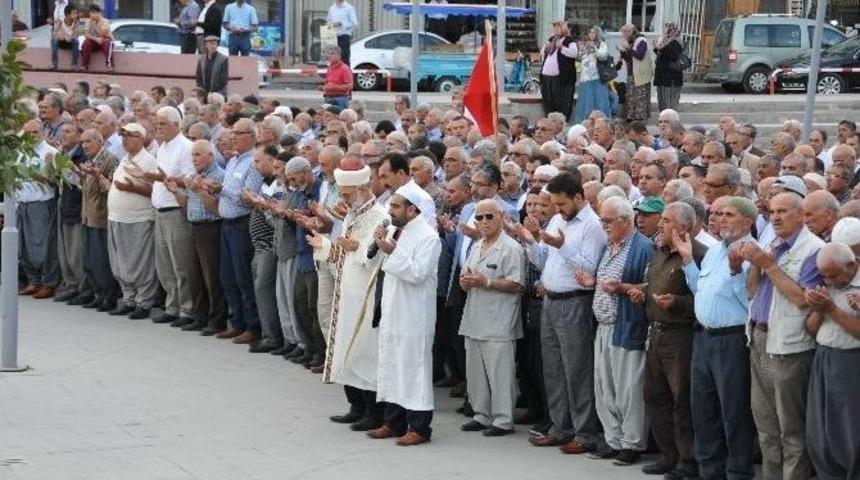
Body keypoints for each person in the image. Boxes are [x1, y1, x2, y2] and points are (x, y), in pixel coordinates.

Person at [516, 172, 605, 454]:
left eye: (562, 203)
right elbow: (543, 261)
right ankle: (560, 427)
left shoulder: (592, 226)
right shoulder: (557, 219)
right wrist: (530, 240)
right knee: (552, 368)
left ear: (578, 198)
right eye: (554, 203)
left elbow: (588, 268)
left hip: (575, 302)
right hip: (551, 301)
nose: (557, 209)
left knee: (576, 369)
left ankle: (584, 433)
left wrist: (561, 246)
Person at [741, 190, 822, 480]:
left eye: (783, 211)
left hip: (789, 348)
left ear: (801, 216)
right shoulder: (773, 242)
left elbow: (802, 299)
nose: (775, 216)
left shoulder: (813, 249)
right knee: (766, 427)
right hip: (759, 339)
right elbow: (752, 291)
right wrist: (754, 264)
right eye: (772, 211)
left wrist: (768, 265)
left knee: (791, 430)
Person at [680, 196, 757, 480]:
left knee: (733, 410)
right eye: (717, 213)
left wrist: (737, 272)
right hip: (703, 338)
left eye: (728, 214)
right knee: (703, 408)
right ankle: (709, 470)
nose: (720, 218)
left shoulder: (752, 253)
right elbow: (701, 290)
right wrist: (688, 261)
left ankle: (738, 470)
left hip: (732, 340)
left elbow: (749, 300)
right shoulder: (714, 251)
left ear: (747, 222)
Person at [309, 159, 389, 431]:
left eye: (346, 194)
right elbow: (342, 251)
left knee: (364, 351)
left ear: (363, 189)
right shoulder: (352, 216)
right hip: (347, 293)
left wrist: (354, 247)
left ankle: (373, 412)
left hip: (366, 297)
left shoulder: (380, 216)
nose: (342, 199)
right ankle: (355, 406)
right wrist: (326, 245)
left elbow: (374, 257)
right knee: (345, 348)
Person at [576, 196, 653, 465]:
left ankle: (632, 444)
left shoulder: (644, 247)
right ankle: (613, 439)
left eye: (607, 220)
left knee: (628, 388)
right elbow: (605, 282)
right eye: (602, 220)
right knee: (605, 385)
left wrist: (621, 288)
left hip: (628, 326)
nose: (603, 225)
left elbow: (650, 288)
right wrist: (592, 282)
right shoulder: (609, 246)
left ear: (625, 220)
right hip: (604, 326)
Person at [366, 182, 441, 447]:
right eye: (391, 205)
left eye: (396, 206)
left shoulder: (429, 237)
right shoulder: (396, 231)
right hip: (393, 310)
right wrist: (383, 246)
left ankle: (419, 427)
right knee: (393, 365)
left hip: (413, 315)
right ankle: (393, 422)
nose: (390, 210)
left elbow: (418, 273)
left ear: (412, 210)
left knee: (414, 369)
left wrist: (392, 252)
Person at [637, 201, 705, 479]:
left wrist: (677, 302)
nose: (661, 225)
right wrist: (641, 293)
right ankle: (668, 455)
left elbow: (704, 299)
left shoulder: (700, 255)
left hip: (681, 337)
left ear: (684, 227)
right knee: (655, 397)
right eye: (662, 219)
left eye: (666, 220)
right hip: (655, 333)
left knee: (682, 401)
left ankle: (687, 461)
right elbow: (654, 284)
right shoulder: (659, 253)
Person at [458, 199, 525, 437]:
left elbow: (517, 283)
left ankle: (503, 419)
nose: (484, 222)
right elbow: (466, 274)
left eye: (489, 216)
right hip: (474, 316)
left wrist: (486, 282)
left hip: (499, 319)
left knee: (500, 373)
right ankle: (481, 414)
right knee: (475, 371)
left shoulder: (511, 248)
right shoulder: (476, 246)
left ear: (501, 216)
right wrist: (465, 282)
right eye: (479, 217)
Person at [802, 242, 860, 480]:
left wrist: (832, 309)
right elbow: (811, 329)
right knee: (820, 431)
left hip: (851, 363)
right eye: (824, 276)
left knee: (849, 432)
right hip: (823, 358)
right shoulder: (827, 285)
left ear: (851, 265)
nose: (830, 281)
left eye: (833, 275)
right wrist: (819, 308)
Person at [106, 123, 160, 318]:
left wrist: (132, 188)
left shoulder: (148, 161)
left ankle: (143, 302)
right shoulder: (124, 159)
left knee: (140, 263)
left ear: (141, 138)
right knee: (120, 263)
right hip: (116, 217)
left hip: (138, 219)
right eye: (123, 136)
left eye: (130, 135)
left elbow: (156, 191)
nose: (125, 139)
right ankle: (128, 299)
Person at [17, 120, 61, 300]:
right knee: (24, 246)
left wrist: (43, 177)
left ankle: (48, 283)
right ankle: (33, 281)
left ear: (42, 133)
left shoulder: (51, 153)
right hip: (23, 203)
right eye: (28, 132)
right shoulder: (20, 151)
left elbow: (59, 182)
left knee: (44, 246)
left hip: (41, 204)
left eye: (35, 132)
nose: (31, 136)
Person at [540, 19, 577, 118]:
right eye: (554, 27)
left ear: (563, 28)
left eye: (558, 27)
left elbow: (574, 54)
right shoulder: (552, 39)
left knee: (559, 101)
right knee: (548, 99)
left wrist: (562, 48)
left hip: (559, 77)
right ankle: (549, 118)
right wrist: (545, 48)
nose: (556, 29)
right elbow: (542, 52)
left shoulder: (569, 40)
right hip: (547, 75)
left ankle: (559, 120)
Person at [574, 26, 611, 123]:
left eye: (594, 32)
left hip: (597, 78)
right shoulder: (585, 44)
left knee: (599, 102)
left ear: (598, 34)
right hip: (586, 78)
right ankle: (586, 122)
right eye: (590, 32)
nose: (591, 34)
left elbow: (603, 56)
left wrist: (594, 48)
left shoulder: (601, 44)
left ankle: (600, 122)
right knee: (586, 102)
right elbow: (579, 58)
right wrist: (581, 51)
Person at [618, 23, 653, 122]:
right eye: (624, 32)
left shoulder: (641, 40)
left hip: (640, 76)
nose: (625, 34)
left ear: (633, 31)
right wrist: (623, 52)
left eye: (627, 32)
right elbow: (630, 59)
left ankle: (639, 123)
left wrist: (628, 48)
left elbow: (640, 55)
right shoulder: (632, 42)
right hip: (632, 74)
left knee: (639, 100)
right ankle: (633, 122)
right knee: (632, 99)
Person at [653, 22, 684, 112]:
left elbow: (672, 56)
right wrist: (658, 47)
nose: (664, 31)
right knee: (662, 104)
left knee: (670, 106)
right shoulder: (666, 41)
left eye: (666, 29)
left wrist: (661, 47)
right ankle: (664, 121)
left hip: (671, 80)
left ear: (671, 30)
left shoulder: (675, 42)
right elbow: (660, 55)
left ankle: (671, 123)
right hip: (663, 78)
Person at [80, 5, 113, 71]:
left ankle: (109, 65)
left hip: (105, 39)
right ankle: (85, 65)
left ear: (100, 13)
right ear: (90, 13)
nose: (95, 15)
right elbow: (86, 35)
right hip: (94, 41)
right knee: (86, 43)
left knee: (107, 43)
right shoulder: (88, 22)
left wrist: (94, 24)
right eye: (93, 12)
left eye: (97, 13)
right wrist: (96, 39)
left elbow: (102, 34)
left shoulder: (105, 21)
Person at [326, 0, 358, 65]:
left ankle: (346, 74)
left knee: (344, 59)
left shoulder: (349, 8)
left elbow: (355, 24)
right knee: (332, 59)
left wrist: (342, 24)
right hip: (333, 38)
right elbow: (328, 22)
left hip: (344, 37)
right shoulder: (332, 8)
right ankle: (334, 74)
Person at [51, 3, 79, 71]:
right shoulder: (60, 21)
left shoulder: (76, 22)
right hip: (61, 42)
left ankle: (74, 64)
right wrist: (60, 35)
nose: (76, 15)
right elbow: (54, 33)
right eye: (74, 13)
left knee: (76, 41)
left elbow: (75, 35)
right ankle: (55, 64)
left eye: (76, 13)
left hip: (69, 42)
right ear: (67, 14)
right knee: (54, 40)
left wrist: (68, 37)